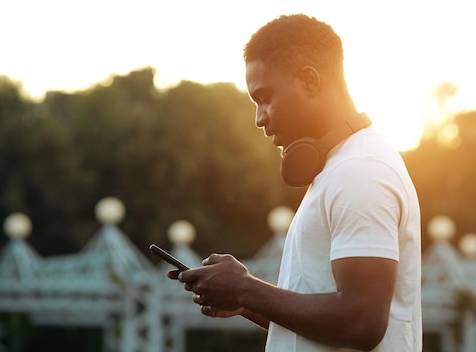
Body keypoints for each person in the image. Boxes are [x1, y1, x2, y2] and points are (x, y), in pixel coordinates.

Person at [168, 14, 422, 352]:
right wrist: (245, 302)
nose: (259, 118)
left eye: (265, 97)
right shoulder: (340, 168)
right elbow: (328, 324)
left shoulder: (360, 171)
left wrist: (247, 289)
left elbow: (362, 321)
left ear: (310, 81)